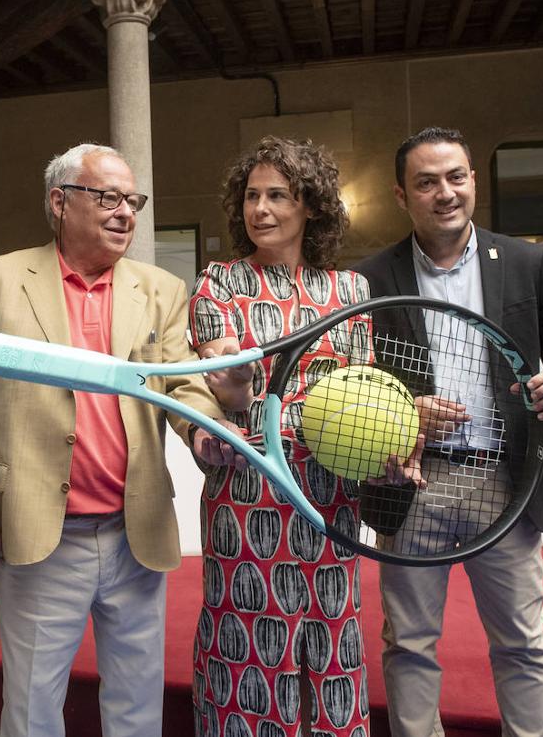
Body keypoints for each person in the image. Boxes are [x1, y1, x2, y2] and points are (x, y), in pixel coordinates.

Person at [0, 143, 241, 737]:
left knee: (137, 702)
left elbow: (181, 383)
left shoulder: (160, 289)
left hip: (135, 532)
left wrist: (204, 431)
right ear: (60, 202)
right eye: (108, 197)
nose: (125, 212)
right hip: (40, 531)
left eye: (132, 200)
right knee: (32, 705)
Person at [354, 127, 543, 737]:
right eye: (427, 182)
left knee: (522, 643)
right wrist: (407, 414)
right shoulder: (370, 279)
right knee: (409, 644)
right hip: (414, 483)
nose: (445, 193)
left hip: (504, 482)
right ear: (401, 194)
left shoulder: (526, 261)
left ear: (472, 183)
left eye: (456, 177)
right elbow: (358, 386)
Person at [189, 136, 378, 737]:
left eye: (277, 195)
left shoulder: (350, 292)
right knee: (244, 646)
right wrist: (238, 392)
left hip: (330, 498)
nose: (260, 209)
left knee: (333, 640)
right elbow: (223, 397)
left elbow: (364, 398)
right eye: (251, 196)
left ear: (311, 207)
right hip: (246, 498)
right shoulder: (217, 283)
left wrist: (392, 440)